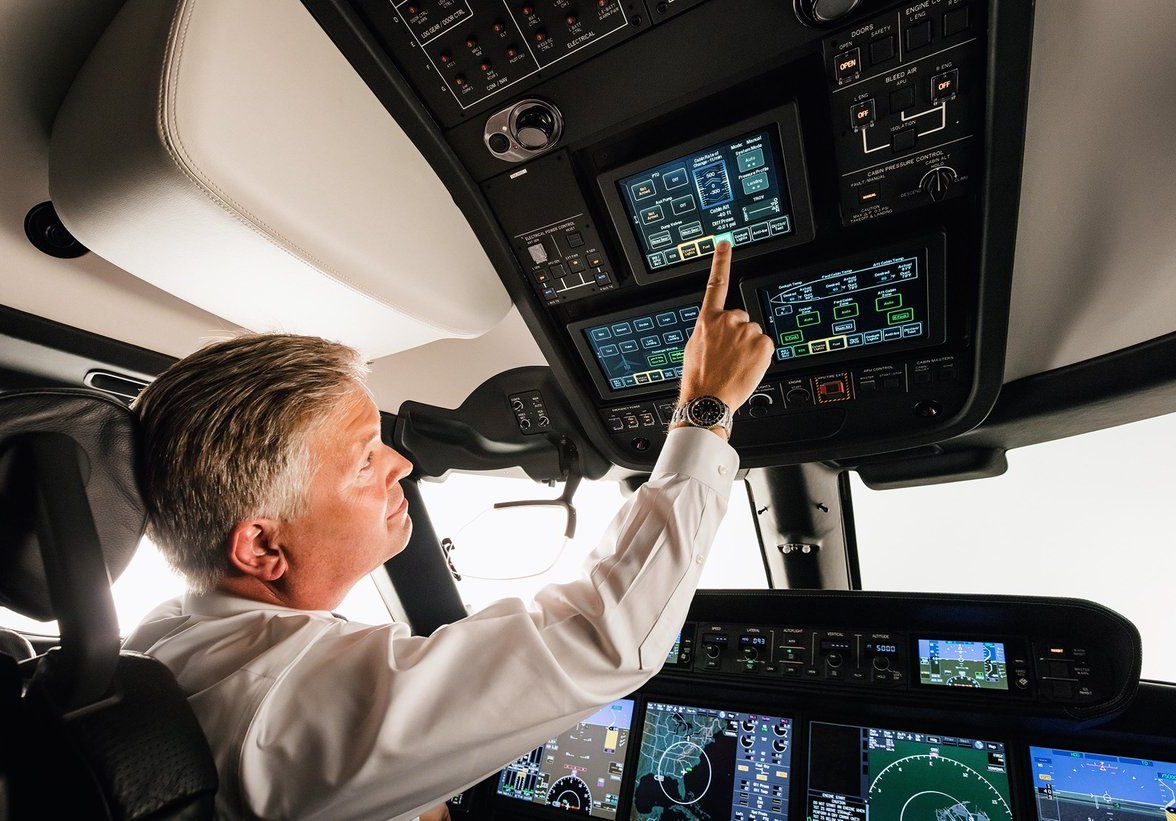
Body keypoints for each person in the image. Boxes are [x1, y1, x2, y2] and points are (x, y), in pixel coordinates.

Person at [124, 242, 773, 820]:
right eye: (365, 461)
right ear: (262, 546)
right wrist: (705, 408)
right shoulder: (281, 717)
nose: (401, 465)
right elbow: (605, 638)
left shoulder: (163, 639)